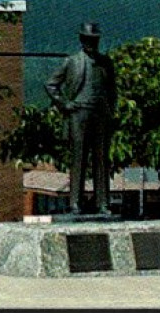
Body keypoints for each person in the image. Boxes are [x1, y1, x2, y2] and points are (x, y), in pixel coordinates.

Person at [45, 21, 117, 215]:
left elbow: (112, 90)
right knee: (79, 159)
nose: (91, 43)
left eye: (94, 39)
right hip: (79, 113)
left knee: (102, 159)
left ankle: (102, 203)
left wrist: (111, 111)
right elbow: (51, 84)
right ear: (81, 40)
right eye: (87, 39)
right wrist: (64, 104)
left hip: (100, 114)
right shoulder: (72, 61)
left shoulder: (106, 63)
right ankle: (75, 202)